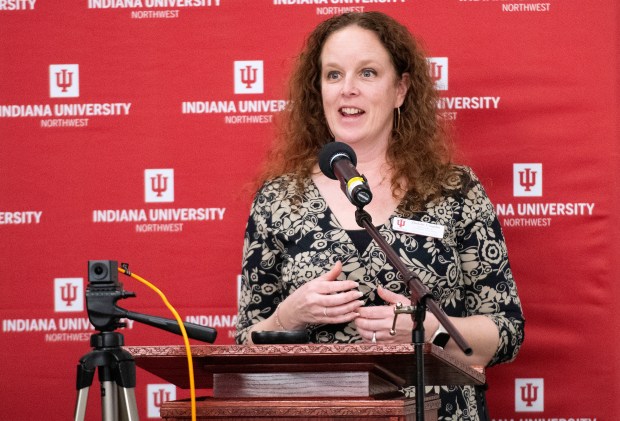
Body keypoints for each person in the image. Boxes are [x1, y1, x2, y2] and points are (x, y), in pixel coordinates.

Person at [235, 11, 524, 421]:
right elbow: (246, 345)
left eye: (367, 73)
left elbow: (508, 332)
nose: (347, 89)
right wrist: (289, 316)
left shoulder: (454, 190)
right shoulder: (279, 200)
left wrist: (428, 333)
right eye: (333, 75)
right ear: (318, 90)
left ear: (400, 89)